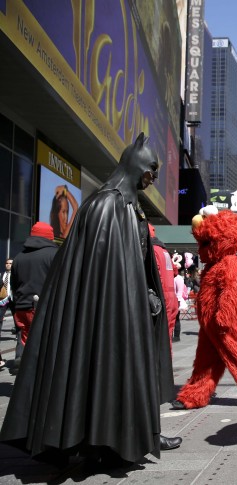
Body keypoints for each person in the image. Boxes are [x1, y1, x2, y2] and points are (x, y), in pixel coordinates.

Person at [0, 133, 180, 466]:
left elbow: (130, 262)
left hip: (128, 305)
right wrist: (135, 295)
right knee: (103, 367)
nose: (153, 177)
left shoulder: (125, 205)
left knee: (130, 370)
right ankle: (100, 441)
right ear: (136, 164)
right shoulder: (106, 205)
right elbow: (103, 271)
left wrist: (147, 291)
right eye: (151, 169)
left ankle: (139, 434)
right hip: (107, 310)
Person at [172, 206, 237, 410]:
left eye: (207, 242)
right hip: (210, 322)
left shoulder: (231, 262)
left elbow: (233, 292)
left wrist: (225, 318)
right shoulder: (214, 264)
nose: (202, 248)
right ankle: (195, 395)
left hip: (223, 322)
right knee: (205, 361)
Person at [6, 223, 58, 375]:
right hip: (44, 309)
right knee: (47, 349)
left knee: (28, 347)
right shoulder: (54, 255)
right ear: (50, 235)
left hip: (22, 309)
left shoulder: (19, 258)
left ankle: (27, 383)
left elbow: (14, 286)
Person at [150, 224, 178, 347]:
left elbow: (156, 274)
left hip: (163, 295)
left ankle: (160, 365)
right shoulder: (164, 250)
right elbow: (175, 270)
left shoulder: (152, 250)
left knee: (159, 337)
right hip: (172, 296)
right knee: (167, 336)